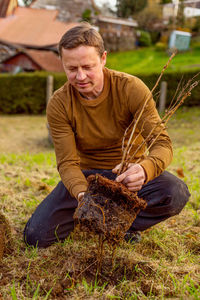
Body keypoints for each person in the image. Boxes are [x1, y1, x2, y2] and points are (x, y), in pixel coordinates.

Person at [24, 23, 190, 248]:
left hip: (127, 178)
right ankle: (94, 221)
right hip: (87, 180)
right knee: (35, 237)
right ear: (62, 64)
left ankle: (122, 225)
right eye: (71, 68)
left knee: (175, 192)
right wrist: (84, 198)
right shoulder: (59, 104)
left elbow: (162, 144)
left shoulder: (131, 89)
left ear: (103, 59)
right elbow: (67, 163)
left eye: (87, 66)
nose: (80, 76)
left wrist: (144, 169)